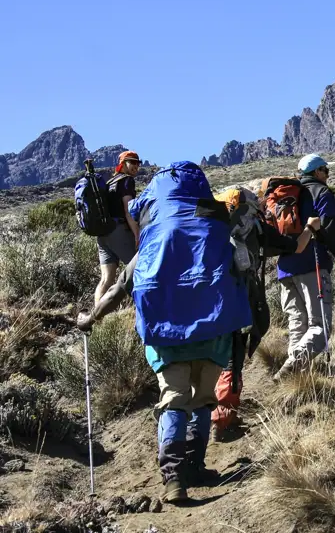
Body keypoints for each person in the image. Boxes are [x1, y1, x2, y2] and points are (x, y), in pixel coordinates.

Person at [77, 162, 253, 504]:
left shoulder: (153, 240)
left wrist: (90, 318)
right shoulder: (215, 228)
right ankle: (196, 466)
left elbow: (115, 291)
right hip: (213, 330)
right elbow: (242, 272)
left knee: (173, 399)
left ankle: (174, 479)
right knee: (203, 400)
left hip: (165, 332)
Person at [210, 188, 322, 440]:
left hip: (203, 297)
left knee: (207, 358)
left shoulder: (211, 226)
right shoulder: (254, 227)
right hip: (236, 297)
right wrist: (311, 227)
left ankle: (190, 428)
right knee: (232, 356)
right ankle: (223, 420)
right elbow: (295, 247)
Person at [272, 154, 335, 381]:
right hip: (312, 265)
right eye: (326, 171)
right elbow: (329, 231)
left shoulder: (287, 195)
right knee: (320, 329)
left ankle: (295, 386)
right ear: (318, 172)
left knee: (297, 327)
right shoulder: (321, 193)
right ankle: (288, 371)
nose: (327, 176)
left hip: (284, 269)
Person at [94, 151, 141, 307]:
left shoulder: (109, 182)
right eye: (132, 162)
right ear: (123, 164)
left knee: (106, 279)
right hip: (119, 232)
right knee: (139, 271)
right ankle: (139, 313)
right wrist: (137, 235)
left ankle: (96, 319)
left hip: (103, 234)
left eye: (138, 163)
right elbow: (129, 211)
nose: (136, 166)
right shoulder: (126, 181)